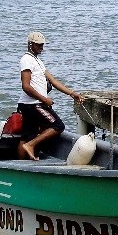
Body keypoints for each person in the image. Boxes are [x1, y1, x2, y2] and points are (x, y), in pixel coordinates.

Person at [17, 31, 84, 160]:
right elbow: (26, 86)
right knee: (58, 126)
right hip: (33, 104)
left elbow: (53, 81)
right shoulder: (26, 60)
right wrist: (44, 100)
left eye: (42, 45)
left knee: (26, 136)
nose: (42, 48)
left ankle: (19, 165)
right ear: (30, 44)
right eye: (39, 45)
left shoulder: (38, 61)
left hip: (30, 104)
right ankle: (31, 145)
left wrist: (72, 93)